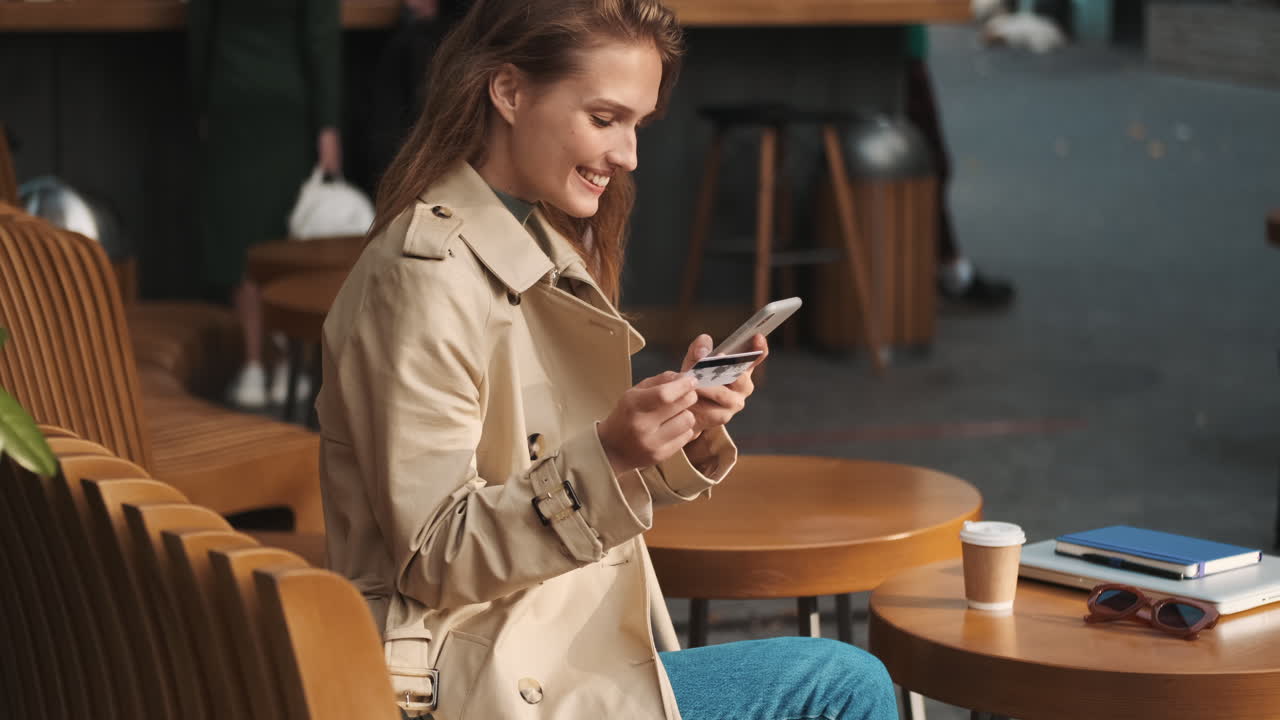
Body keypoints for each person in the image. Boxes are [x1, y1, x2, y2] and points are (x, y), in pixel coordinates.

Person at [317, 1, 897, 718]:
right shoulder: (423, 280)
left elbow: (547, 479)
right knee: (842, 685)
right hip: (475, 684)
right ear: (508, 91)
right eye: (604, 119)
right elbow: (434, 556)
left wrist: (676, 427)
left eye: (637, 125)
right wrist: (610, 454)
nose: (628, 156)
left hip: (552, 654)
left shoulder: (541, 242)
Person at [189, 0, 344, 407]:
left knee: (240, 235)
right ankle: (286, 369)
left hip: (230, 97)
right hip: (288, 102)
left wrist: (200, 104)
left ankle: (253, 365)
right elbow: (321, 38)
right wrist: (328, 125)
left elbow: (200, 29)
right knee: (287, 238)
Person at [905, 24, 1016, 307]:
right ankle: (947, 268)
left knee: (928, 160)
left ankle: (943, 267)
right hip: (892, 47)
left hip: (896, 43)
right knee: (928, 161)